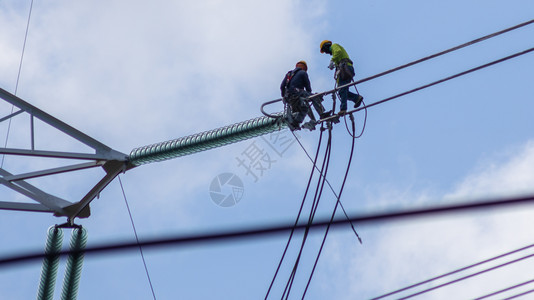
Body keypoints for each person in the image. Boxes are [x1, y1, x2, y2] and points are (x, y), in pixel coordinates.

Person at [280, 61, 328, 131]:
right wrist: (309, 96)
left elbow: (282, 86)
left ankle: (295, 123)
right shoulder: (303, 73)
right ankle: (322, 114)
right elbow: (308, 87)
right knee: (315, 96)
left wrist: (284, 96)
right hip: (297, 93)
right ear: (304, 67)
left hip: (289, 98)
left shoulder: (289, 74)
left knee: (305, 108)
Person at [320, 40, 363, 115]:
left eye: (325, 50)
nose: (326, 53)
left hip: (346, 68)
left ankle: (343, 109)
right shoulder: (336, 56)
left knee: (342, 89)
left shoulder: (334, 46)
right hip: (345, 69)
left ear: (326, 46)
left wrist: (332, 60)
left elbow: (338, 51)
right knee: (342, 91)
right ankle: (356, 98)